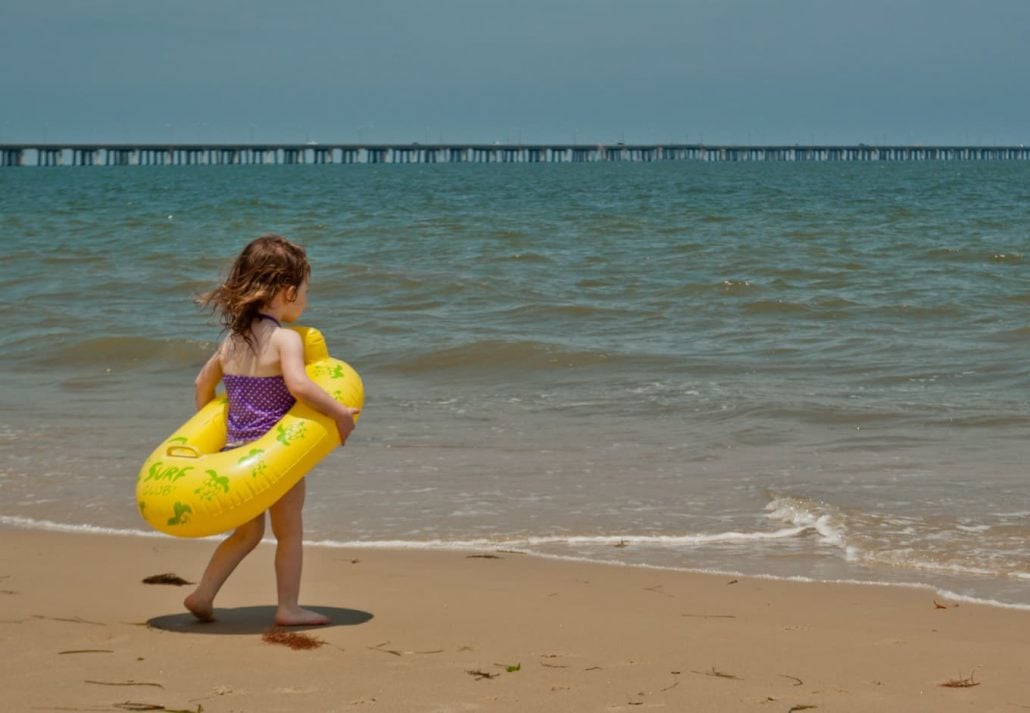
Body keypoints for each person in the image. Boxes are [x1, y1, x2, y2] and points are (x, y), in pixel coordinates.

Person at [183, 234, 359, 626]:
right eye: (307, 292)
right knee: (289, 533)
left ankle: (203, 594)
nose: (307, 300)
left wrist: (210, 433)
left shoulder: (232, 340)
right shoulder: (284, 340)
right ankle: (288, 607)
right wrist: (340, 413)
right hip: (273, 458)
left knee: (246, 534)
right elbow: (299, 386)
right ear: (288, 291)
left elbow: (201, 384)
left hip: (236, 451)